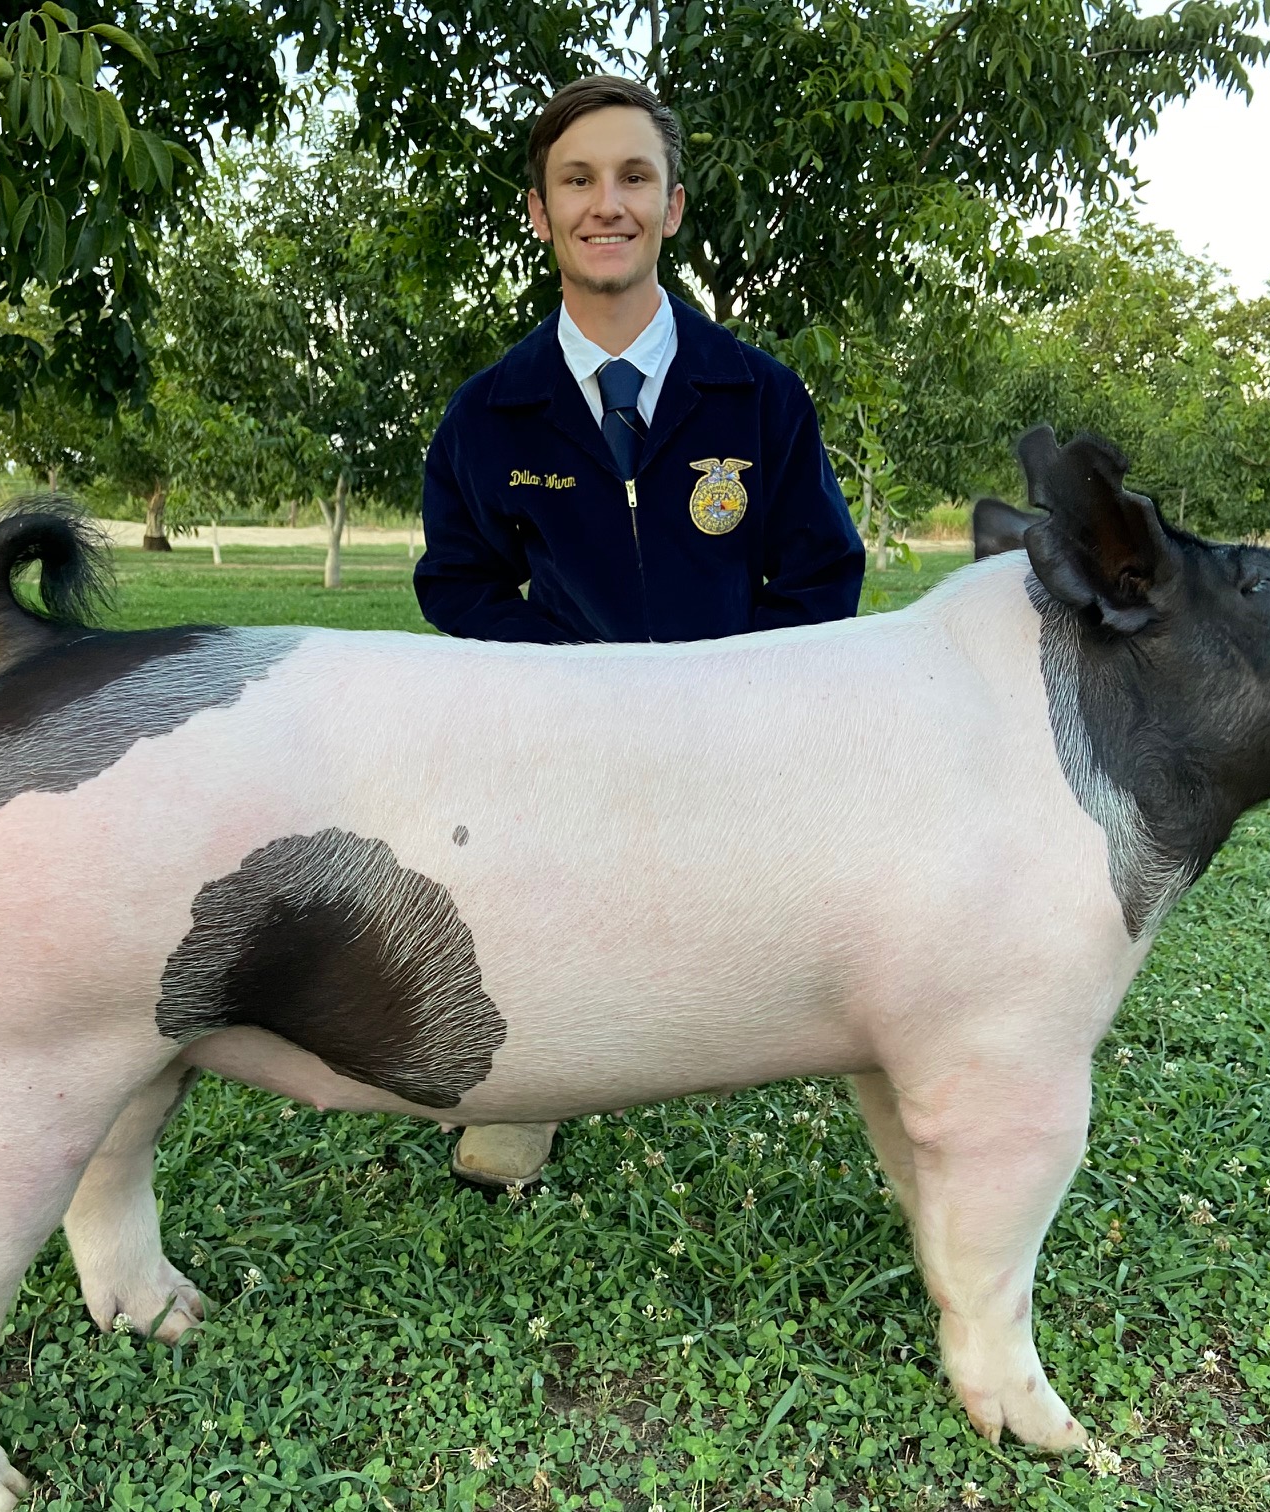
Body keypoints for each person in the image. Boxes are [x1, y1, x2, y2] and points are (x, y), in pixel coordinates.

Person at [414, 74, 864, 1187]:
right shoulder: (486, 415)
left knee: (704, 917)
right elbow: (458, 583)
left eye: (633, 177)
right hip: (557, 737)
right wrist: (578, 682)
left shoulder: (758, 397)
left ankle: (712, 1038)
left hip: (725, 732)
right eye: (577, 181)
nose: (605, 203)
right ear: (541, 213)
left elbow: (821, 569)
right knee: (538, 916)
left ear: (671, 206)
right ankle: (529, 1092)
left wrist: (731, 687)